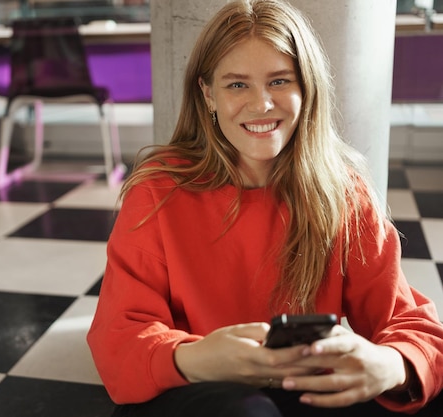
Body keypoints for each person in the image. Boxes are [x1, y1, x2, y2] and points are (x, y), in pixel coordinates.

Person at [86, 1, 443, 416]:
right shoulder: (158, 191)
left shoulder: (344, 192)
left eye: (279, 81)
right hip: (199, 392)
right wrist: (197, 357)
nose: (261, 104)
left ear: (306, 88)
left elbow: (414, 326)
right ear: (208, 94)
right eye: (237, 85)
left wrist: (392, 365)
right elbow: (119, 339)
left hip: (306, 388)